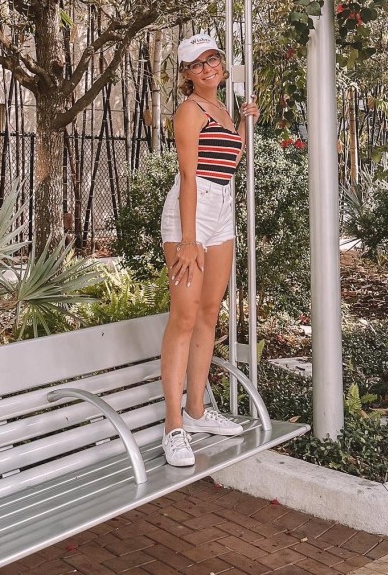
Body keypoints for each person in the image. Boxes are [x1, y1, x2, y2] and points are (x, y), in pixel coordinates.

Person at [159, 32, 259, 467]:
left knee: (209, 313)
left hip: (221, 207)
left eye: (212, 59)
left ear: (220, 62)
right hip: (191, 212)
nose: (207, 68)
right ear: (186, 73)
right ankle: (173, 427)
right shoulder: (190, 111)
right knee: (184, 316)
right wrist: (188, 239)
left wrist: (244, 125)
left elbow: (228, 164)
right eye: (196, 63)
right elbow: (188, 176)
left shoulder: (221, 108)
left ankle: (197, 411)